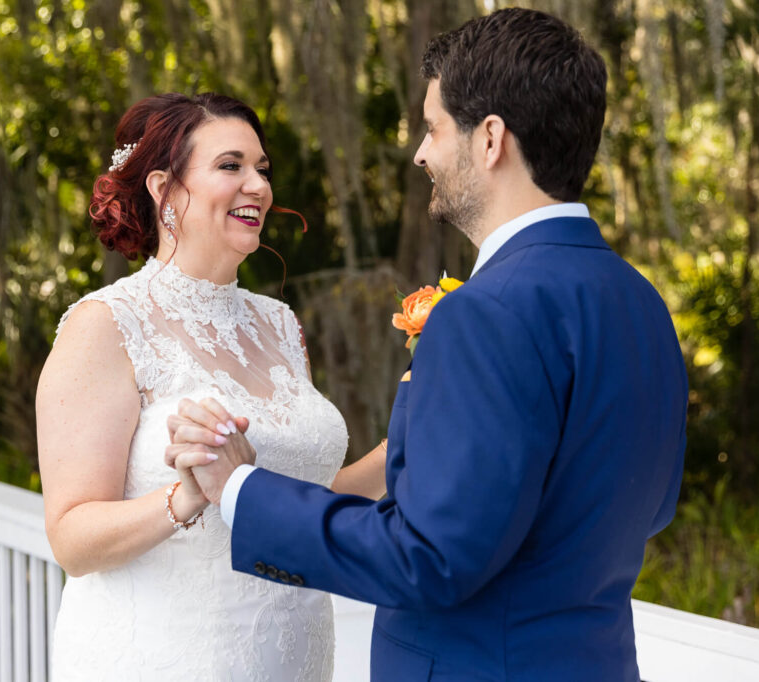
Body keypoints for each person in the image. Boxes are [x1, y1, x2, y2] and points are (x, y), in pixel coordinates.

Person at [168, 9, 688, 681]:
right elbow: (653, 505)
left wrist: (240, 488)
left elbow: (429, 559)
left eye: (435, 127)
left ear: (491, 139)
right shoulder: (639, 302)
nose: (420, 152)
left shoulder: (487, 313)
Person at [36, 92, 387, 681]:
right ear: (164, 189)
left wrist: (403, 445)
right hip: (165, 658)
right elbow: (72, 538)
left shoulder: (279, 324)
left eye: (262, 168)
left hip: (294, 657)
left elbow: (302, 495)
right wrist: (188, 497)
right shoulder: (105, 324)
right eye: (231, 166)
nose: (258, 185)